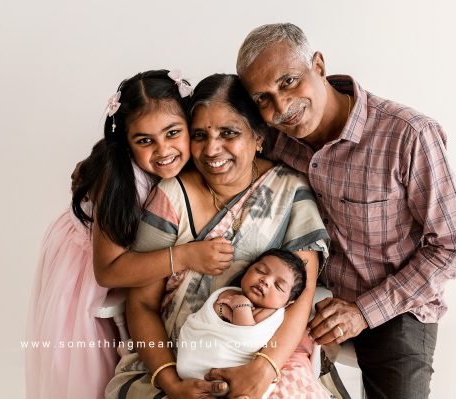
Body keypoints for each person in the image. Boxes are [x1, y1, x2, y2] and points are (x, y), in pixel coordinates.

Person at [236, 23, 456, 399]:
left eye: (288, 82)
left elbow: (453, 247)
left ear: (318, 64)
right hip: (299, 295)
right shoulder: (273, 139)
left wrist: (363, 312)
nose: (281, 108)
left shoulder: (409, 135)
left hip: (395, 304)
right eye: (263, 98)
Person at [105, 74, 332, 399]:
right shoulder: (171, 196)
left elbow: (301, 296)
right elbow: (141, 304)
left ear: (258, 137)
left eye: (229, 133)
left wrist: (263, 369)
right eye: (200, 135)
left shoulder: (290, 193)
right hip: (176, 357)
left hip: (262, 356)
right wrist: (173, 383)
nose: (211, 149)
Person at [26, 70, 233, 399]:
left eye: (173, 133)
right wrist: (185, 255)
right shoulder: (121, 179)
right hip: (88, 266)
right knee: (89, 373)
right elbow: (108, 271)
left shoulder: (197, 159)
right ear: (126, 143)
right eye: (145, 140)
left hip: (131, 260)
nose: (163, 149)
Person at [176, 248, 308, 396]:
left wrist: (240, 305)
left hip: (232, 370)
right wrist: (233, 310)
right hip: (197, 352)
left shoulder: (271, 314)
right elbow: (215, 309)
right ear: (247, 270)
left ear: (288, 302)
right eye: (260, 271)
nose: (265, 281)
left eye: (278, 286)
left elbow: (246, 336)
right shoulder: (229, 292)